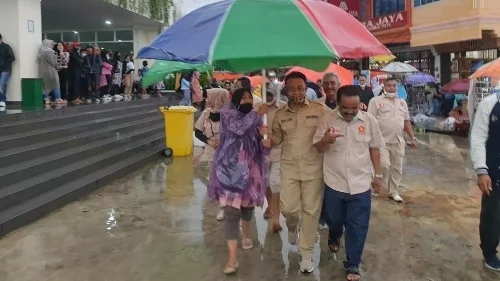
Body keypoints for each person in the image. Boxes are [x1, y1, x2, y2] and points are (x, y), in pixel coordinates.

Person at [313, 85, 384, 281]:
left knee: (358, 225)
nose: (350, 112)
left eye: (355, 108)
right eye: (346, 108)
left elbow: (375, 149)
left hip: (361, 184)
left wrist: (378, 175)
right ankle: (335, 233)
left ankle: (353, 264)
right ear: (338, 103)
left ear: (360, 104)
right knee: (333, 218)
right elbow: (318, 148)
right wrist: (326, 140)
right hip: (334, 182)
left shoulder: (369, 121)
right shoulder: (327, 119)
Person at [270, 71, 330, 273]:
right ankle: (292, 226)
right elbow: (276, 140)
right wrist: (266, 136)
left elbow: (338, 118)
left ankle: (306, 254)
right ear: (286, 90)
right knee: (289, 209)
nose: (297, 91)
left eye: (301, 87)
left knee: (311, 212)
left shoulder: (320, 109)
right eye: (292, 88)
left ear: (306, 89)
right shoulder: (280, 114)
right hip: (289, 168)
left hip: (314, 168)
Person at [207, 87, 270, 274]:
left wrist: (266, 142)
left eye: (250, 98)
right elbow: (239, 130)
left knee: (247, 208)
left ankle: (246, 233)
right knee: (231, 214)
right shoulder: (227, 114)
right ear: (234, 100)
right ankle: (232, 258)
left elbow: (260, 148)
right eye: (242, 98)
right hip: (229, 172)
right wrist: (256, 114)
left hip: (251, 174)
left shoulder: (257, 117)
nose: (247, 101)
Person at [367, 78, 417, 202]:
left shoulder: (402, 103)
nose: (392, 88)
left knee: (397, 167)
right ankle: (377, 186)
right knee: (384, 165)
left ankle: (393, 192)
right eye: (389, 85)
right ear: (383, 86)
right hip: (381, 141)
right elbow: (369, 120)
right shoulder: (375, 101)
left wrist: (412, 137)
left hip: (398, 140)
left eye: (394, 85)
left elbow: (406, 121)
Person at [470, 90, 500, 271]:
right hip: (494, 171)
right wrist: (482, 170)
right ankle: (489, 251)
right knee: (493, 214)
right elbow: (478, 138)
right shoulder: (490, 104)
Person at [194, 88, 230, 221]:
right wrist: (208, 141)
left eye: (209, 97)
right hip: (212, 152)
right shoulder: (206, 113)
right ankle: (223, 207)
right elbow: (197, 131)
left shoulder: (231, 114)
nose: (207, 100)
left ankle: (229, 206)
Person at [256, 82, 286, 232]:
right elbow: (248, 129)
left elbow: (288, 130)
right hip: (263, 153)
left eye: (270, 94)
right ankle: (270, 206)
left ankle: (276, 218)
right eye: (265, 94)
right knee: (266, 183)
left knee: (276, 184)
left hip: (280, 152)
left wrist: (273, 139)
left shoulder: (284, 107)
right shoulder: (258, 108)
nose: (268, 97)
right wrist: (258, 117)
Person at [38, 39, 63, 105]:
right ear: (47, 44)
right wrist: (58, 67)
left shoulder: (41, 52)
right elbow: (54, 62)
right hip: (51, 72)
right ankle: (58, 99)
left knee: (46, 86)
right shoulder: (49, 52)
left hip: (43, 72)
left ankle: (47, 99)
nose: (53, 45)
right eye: (51, 44)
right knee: (55, 85)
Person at [0, 33, 15, 108]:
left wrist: (3, 64)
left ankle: (2, 100)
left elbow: (11, 58)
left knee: (2, 84)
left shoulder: (6, 47)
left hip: (5, 69)